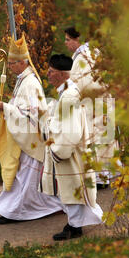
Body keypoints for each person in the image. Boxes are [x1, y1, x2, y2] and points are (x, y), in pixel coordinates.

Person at [0, 34, 63, 224]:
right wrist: (8, 107)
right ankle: (28, 207)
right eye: (9, 63)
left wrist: (5, 108)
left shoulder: (30, 83)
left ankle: (20, 211)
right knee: (24, 176)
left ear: (23, 63)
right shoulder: (22, 79)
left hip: (32, 139)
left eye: (12, 63)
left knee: (26, 178)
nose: (9, 66)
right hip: (27, 138)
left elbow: (31, 114)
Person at [39, 54, 103, 240]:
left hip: (70, 152)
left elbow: (72, 131)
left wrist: (59, 151)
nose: (48, 75)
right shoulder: (68, 92)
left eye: (51, 72)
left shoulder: (68, 96)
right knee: (70, 188)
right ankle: (76, 223)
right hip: (71, 149)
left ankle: (75, 227)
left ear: (62, 74)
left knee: (71, 187)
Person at [64, 27, 121, 189]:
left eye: (68, 40)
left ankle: (100, 178)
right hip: (101, 104)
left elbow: (84, 83)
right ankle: (104, 175)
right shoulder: (94, 52)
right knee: (103, 139)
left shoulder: (84, 57)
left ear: (77, 40)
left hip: (93, 106)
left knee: (95, 140)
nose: (65, 43)